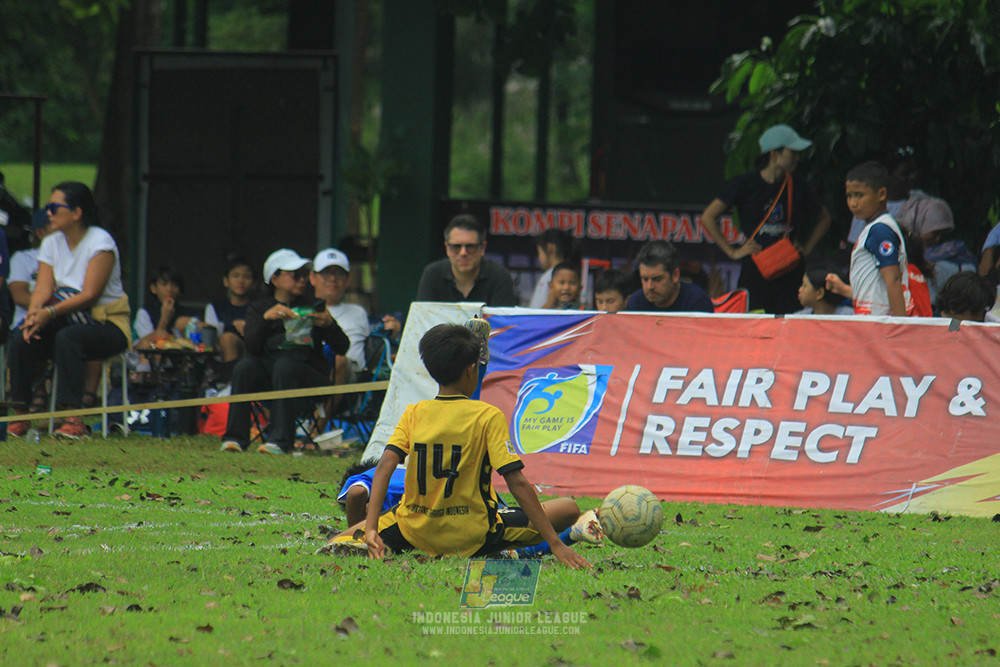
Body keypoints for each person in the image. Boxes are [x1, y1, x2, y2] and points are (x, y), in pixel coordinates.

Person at [329, 324, 591, 568]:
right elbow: (517, 482)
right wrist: (555, 543)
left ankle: (378, 541)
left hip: (414, 531)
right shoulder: (487, 416)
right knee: (568, 508)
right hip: (474, 535)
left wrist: (371, 527)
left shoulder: (414, 412)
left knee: (336, 542)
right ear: (471, 368)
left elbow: (386, 465)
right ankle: (517, 551)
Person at [8, 182, 131, 439]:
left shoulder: (100, 241)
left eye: (54, 207)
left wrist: (50, 313)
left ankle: (74, 418)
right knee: (22, 337)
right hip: (67, 318)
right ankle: (20, 416)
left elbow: (90, 294)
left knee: (69, 338)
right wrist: (33, 315)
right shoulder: (51, 242)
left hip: (106, 323)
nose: (49, 213)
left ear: (76, 213)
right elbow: (42, 289)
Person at [219, 248, 349, 455]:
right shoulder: (259, 308)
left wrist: (330, 325)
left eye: (304, 275)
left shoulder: (314, 306)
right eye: (295, 275)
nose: (302, 280)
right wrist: (266, 320)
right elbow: (251, 347)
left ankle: (280, 441)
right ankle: (235, 438)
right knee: (245, 367)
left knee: (285, 366)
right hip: (270, 377)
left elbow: (343, 347)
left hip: (309, 376)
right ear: (275, 279)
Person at [700, 124, 832, 314]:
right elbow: (708, 216)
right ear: (774, 154)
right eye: (792, 152)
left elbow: (824, 218)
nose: (797, 158)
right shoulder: (745, 184)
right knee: (754, 319)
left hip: (789, 268)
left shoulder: (798, 185)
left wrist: (807, 248)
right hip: (755, 268)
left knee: (789, 320)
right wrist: (732, 252)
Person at [830, 162, 911, 317]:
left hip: (881, 324)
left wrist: (900, 325)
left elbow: (893, 279)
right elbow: (874, 291)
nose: (853, 203)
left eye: (859, 195)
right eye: (849, 196)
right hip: (872, 322)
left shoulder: (881, 230)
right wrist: (843, 289)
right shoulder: (873, 229)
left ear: (881, 194)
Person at [415, 214, 517, 306]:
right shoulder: (433, 274)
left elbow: (503, 321)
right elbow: (423, 318)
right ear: (447, 249)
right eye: (456, 247)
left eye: (470, 247)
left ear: (482, 248)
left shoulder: (499, 276)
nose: (463, 253)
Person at [310, 248, 369, 384]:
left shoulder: (358, 312)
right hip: (313, 371)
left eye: (339, 273)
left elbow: (370, 356)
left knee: (339, 360)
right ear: (312, 277)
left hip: (352, 377)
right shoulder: (304, 310)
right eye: (326, 273)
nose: (333, 279)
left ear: (348, 279)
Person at [625, 240, 714, 313]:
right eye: (645, 279)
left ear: (675, 275)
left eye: (657, 279)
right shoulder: (635, 303)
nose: (650, 287)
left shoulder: (697, 301)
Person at [204, 255, 255, 365]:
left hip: (251, 356)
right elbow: (211, 337)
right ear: (226, 281)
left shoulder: (258, 308)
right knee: (227, 339)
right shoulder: (214, 308)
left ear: (253, 283)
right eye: (236, 276)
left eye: (246, 277)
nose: (241, 281)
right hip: (218, 357)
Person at [133, 266, 200, 349]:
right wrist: (165, 318)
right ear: (154, 288)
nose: (170, 289)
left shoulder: (188, 313)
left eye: (174, 285)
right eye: (164, 284)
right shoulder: (145, 313)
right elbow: (148, 343)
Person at [8, 209, 50, 332]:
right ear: (40, 233)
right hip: (26, 321)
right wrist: (50, 312)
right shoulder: (24, 258)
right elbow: (20, 296)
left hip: (65, 322)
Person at [528, 228, 581, 308]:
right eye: (562, 282)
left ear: (550, 248)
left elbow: (543, 307)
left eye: (539, 253)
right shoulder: (556, 274)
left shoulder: (551, 275)